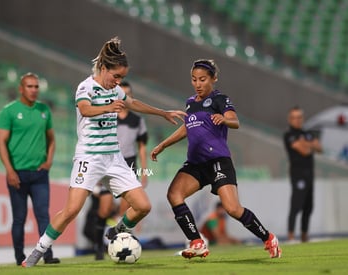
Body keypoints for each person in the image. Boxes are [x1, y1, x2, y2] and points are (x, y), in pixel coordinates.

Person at [22, 37, 185, 267]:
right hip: (89, 158)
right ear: (103, 68)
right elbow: (85, 109)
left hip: (114, 158)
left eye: (122, 78)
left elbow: (133, 103)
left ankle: (116, 231)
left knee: (143, 206)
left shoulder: (116, 90)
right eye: (115, 76)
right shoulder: (85, 87)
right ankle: (38, 252)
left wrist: (162, 112)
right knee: (71, 210)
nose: (117, 81)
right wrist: (108, 107)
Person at [151, 59, 282, 259]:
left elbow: (235, 121)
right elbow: (186, 127)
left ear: (213, 79)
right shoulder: (190, 103)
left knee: (232, 208)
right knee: (174, 194)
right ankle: (197, 242)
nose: (197, 84)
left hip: (218, 160)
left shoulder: (220, 99)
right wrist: (162, 145)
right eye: (194, 79)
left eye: (202, 79)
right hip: (195, 164)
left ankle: (268, 237)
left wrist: (225, 119)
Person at [0, 72, 60, 266]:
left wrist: (48, 161)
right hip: (18, 174)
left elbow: (51, 139)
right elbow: (1, 142)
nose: (33, 90)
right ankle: (19, 258)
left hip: (40, 173)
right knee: (19, 218)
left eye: (36, 86)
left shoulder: (44, 110)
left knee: (43, 215)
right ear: (21, 89)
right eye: (29, 86)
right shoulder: (9, 112)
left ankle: (47, 256)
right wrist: (9, 170)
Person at [83, 80, 149, 260]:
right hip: (107, 162)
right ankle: (98, 246)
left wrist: (144, 172)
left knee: (125, 209)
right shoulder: (108, 114)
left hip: (129, 164)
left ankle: (120, 243)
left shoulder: (137, 120)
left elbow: (142, 147)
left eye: (126, 94)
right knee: (104, 210)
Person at [284, 106, 322, 242]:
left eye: (299, 117)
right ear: (290, 119)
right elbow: (304, 151)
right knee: (296, 205)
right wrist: (310, 144)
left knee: (308, 206)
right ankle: (291, 236)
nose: (297, 120)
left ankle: (305, 235)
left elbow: (319, 148)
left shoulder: (307, 133)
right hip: (297, 174)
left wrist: (306, 143)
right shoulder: (289, 135)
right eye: (294, 117)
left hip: (309, 174)